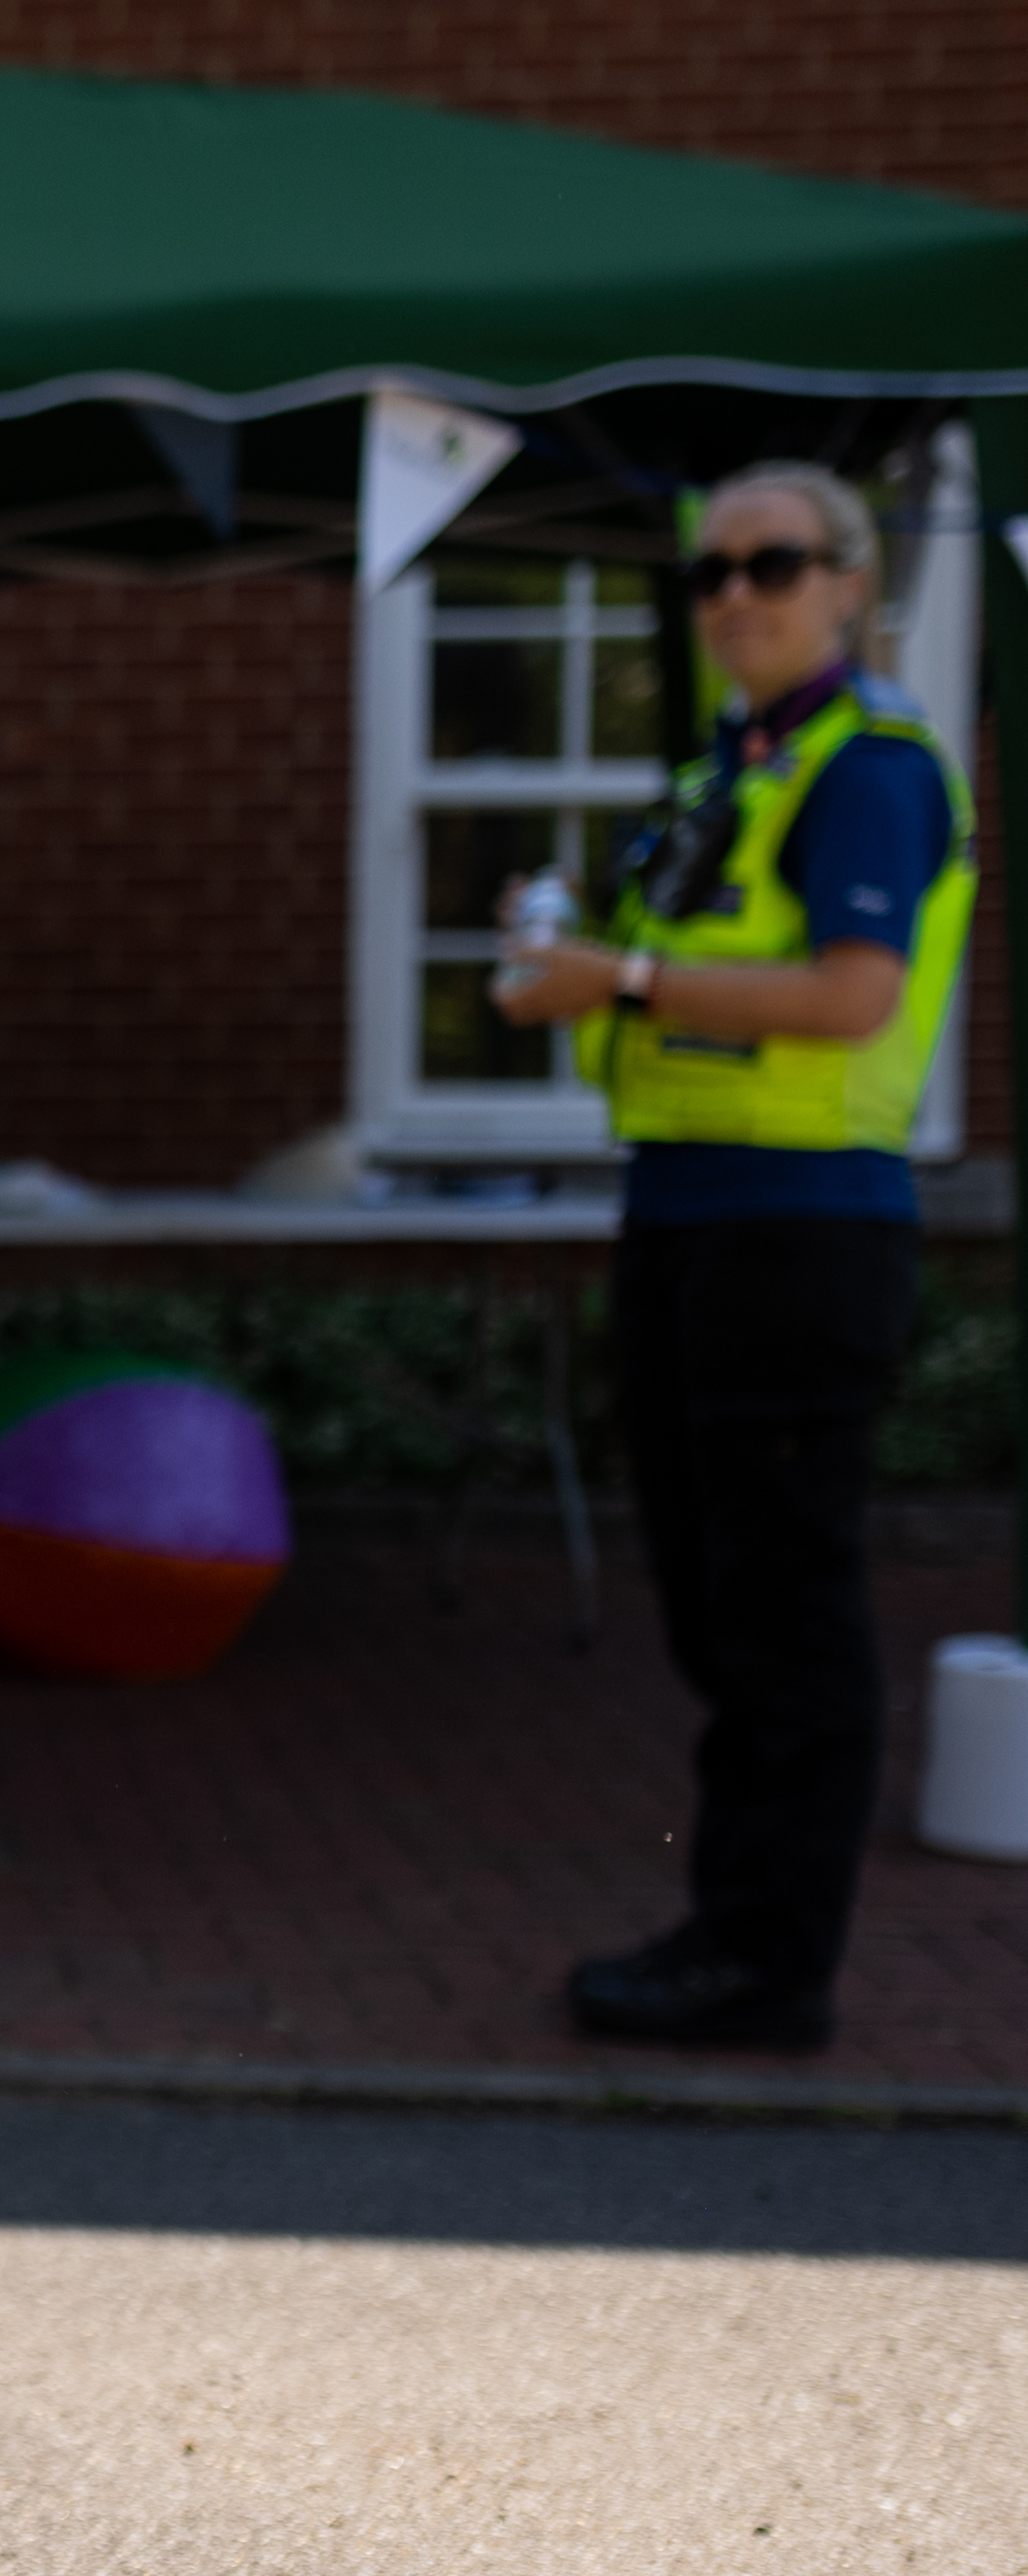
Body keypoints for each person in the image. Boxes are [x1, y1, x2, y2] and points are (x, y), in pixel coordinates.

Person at [494, 461, 970, 2052]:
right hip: (688, 1220)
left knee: (784, 1616)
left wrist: (615, 975)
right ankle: (735, 1930)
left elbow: (850, 996)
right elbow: (653, 973)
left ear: (852, 583)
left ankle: (768, 1966)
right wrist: (562, 966)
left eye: (771, 565)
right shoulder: (726, 774)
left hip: (802, 1228)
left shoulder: (871, 769)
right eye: (708, 575)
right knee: (715, 1611)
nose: (733, 599)